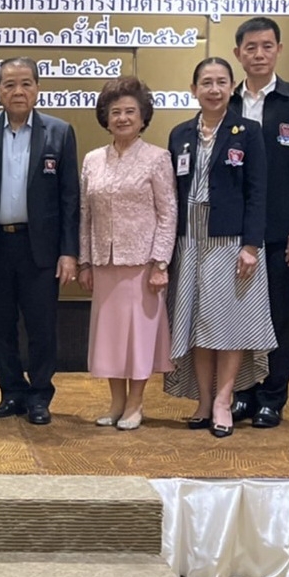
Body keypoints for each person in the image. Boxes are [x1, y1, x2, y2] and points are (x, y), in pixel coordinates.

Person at [165, 58, 275, 438]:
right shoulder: (180, 134)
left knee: (228, 323)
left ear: (232, 87)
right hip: (189, 241)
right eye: (206, 82)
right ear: (193, 89)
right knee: (196, 322)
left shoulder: (248, 131)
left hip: (231, 243)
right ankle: (203, 400)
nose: (214, 90)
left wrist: (251, 245)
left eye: (221, 82)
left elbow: (258, 193)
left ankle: (224, 401)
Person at [228, 17, 289, 429]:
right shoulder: (226, 101)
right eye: (251, 47)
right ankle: (243, 393)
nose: (259, 54)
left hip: (283, 231)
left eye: (267, 46)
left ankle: (272, 397)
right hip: (233, 232)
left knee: (277, 316)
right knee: (236, 316)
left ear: (279, 50)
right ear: (238, 54)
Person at [0, 57, 80, 426]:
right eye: (9, 84)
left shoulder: (59, 132)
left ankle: (39, 395)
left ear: (37, 88)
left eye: (26, 83)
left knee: (41, 326)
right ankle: (10, 392)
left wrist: (69, 252)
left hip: (41, 248)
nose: (18, 91)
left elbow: (70, 198)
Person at [78, 76, 176, 431]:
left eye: (130, 111)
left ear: (143, 116)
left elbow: (168, 213)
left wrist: (160, 263)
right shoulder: (92, 160)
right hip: (104, 263)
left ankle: (135, 404)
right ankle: (116, 403)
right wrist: (85, 261)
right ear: (105, 117)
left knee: (138, 339)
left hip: (143, 266)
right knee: (111, 338)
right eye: (115, 111)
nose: (122, 118)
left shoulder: (157, 158)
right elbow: (85, 215)